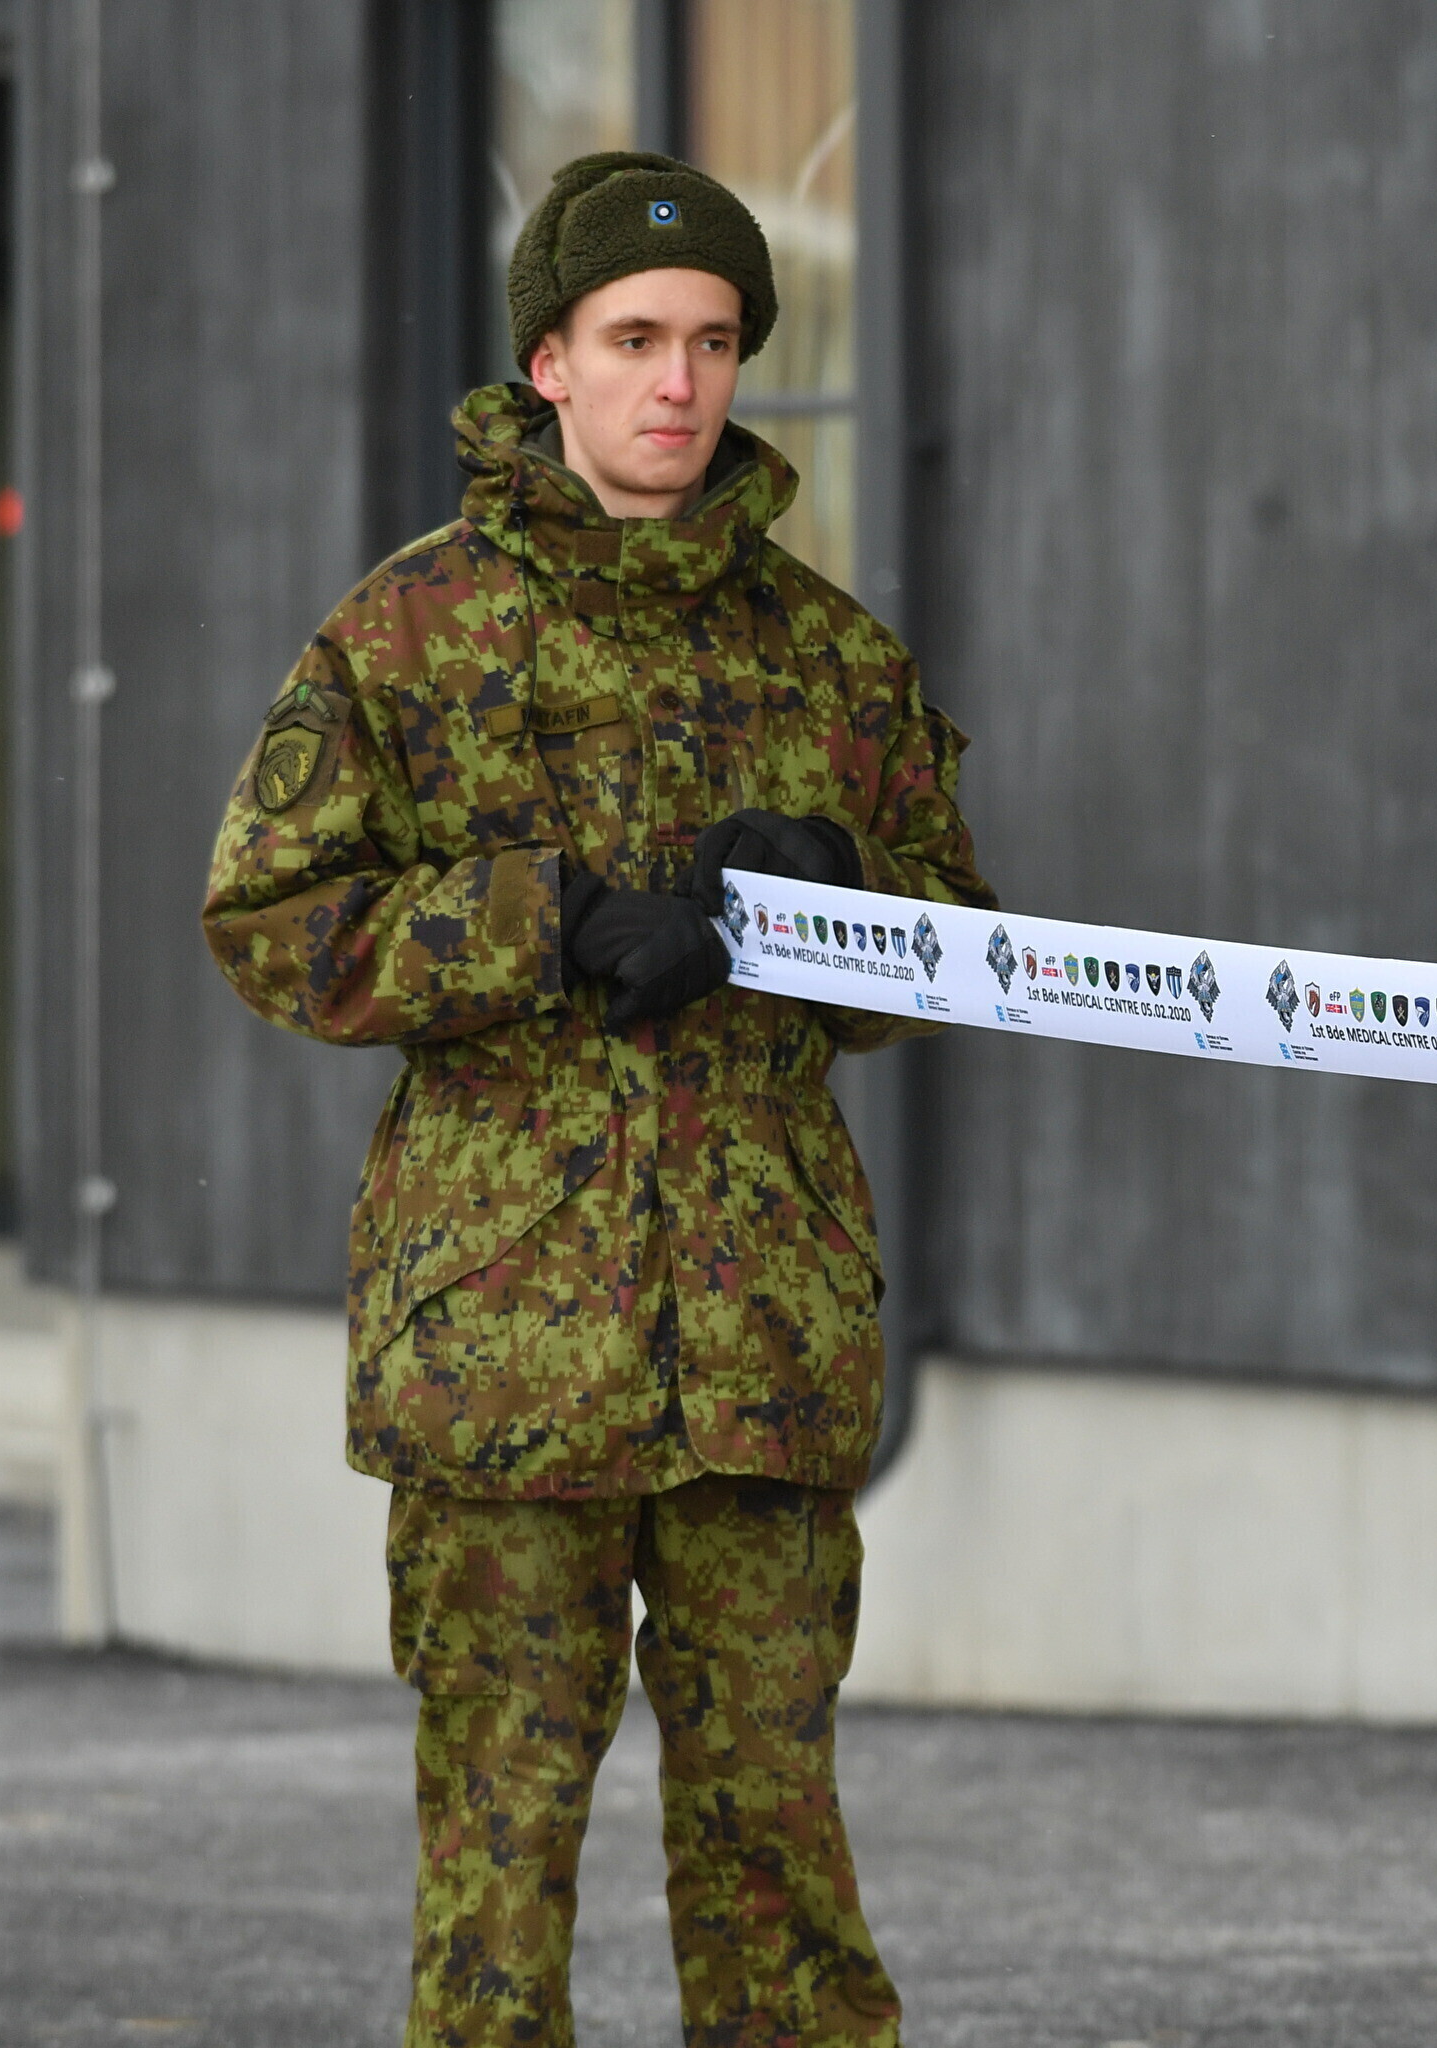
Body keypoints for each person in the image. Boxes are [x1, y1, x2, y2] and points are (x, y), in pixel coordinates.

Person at [201, 151, 991, 2047]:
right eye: (635, 339)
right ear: (548, 361)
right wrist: (535, 921)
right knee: (499, 1858)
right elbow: (272, 918)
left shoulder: (830, 656)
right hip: (504, 1353)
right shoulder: (406, 637)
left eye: (714, 341)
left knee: (776, 1848)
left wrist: (835, 900)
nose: (679, 382)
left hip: (761, 1339)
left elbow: (960, 948)